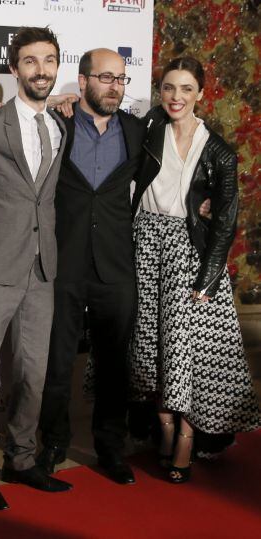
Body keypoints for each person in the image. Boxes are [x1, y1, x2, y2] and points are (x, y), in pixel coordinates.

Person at [129, 56, 261, 483]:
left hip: (192, 255)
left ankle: (186, 436)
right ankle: (162, 425)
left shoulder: (218, 150)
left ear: (201, 94)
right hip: (146, 248)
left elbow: (225, 218)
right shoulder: (150, 130)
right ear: (160, 92)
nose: (176, 97)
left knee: (189, 351)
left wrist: (207, 278)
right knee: (152, 346)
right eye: (169, 88)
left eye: (186, 89)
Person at [0, 26, 70, 510]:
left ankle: (22, 459)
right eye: (31, 61)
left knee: (32, 371)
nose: (41, 70)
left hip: (41, 265)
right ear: (13, 68)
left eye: (48, 60)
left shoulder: (59, 126)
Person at [37, 48, 146, 486]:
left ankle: (111, 448)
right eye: (105, 78)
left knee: (114, 365)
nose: (115, 87)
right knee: (57, 363)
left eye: (120, 79)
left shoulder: (139, 131)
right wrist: (52, 105)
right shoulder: (56, 123)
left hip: (117, 265)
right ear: (81, 83)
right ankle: (53, 445)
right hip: (64, 261)